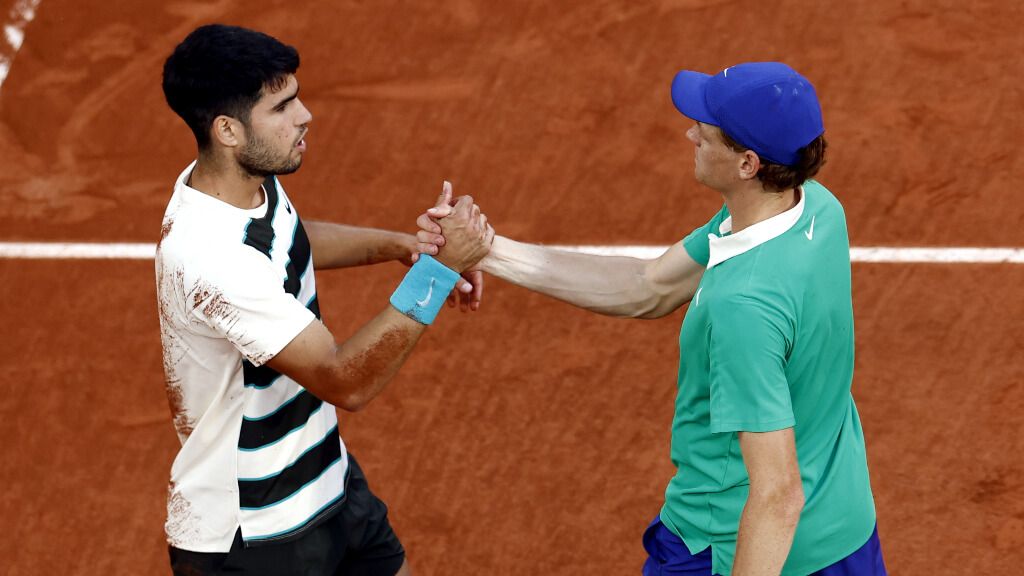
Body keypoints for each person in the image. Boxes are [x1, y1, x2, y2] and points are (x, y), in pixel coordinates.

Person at [418, 62, 885, 575]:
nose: (691, 133)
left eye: (705, 134)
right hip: (843, 531)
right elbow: (650, 287)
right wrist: (485, 250)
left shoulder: (742, 306)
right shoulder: (813, 208)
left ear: (748, 164)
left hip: (732, 548)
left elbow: (777, 496)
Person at [157, 24, 492, 576]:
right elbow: (346, 380)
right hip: (252, 537)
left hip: (325, 478)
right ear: (228, 130)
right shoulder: (210, 257)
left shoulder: (239, 182)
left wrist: (399, 247)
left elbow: (287, 239)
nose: (305, 114)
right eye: (282, 106)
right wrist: (437, 272)